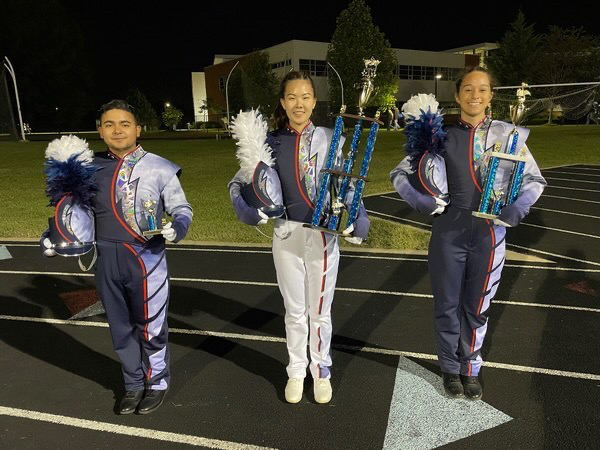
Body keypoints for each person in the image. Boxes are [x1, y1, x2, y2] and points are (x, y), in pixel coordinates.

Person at [390, 67, 546, 400]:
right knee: (447, 304)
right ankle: (449, 368)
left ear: (491, 95)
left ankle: (470, 368)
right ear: (458, 93)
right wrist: (420, 200)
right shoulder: (438, 133)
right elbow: (399, 173)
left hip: (491, 235)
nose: (475, 96)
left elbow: (535, 180)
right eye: (468, 89)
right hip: (449, 231)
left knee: (477, 307)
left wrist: (518, 207)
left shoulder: (509, 135)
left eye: (483, 89)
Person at [42, 100, 193, 414]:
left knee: (151, 327)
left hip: (147, 260)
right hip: (106, 261)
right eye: (109, 124)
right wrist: (54, 236)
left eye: (125, 123)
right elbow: (72, 215)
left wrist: (176, 228)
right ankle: (133, 384)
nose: (117, 130)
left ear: (138, 129)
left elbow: (182, 209)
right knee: (120, 327)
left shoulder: (160, 167)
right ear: (99, 130)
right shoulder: (87, 170)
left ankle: (157, 383)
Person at [228, 71, 370, 404]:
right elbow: (237, 183)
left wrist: (359, 215)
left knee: (320, 311)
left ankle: (321, 372)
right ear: (282, 102)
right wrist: (249, 210)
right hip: (286, 234)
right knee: (293, 311)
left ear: (314, 101)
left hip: (322, 235)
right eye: (291, 97)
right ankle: (296, 371)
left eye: (305, 96)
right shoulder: (271, 141)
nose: (298, 103)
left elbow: (345, 182)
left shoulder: (330, 137)